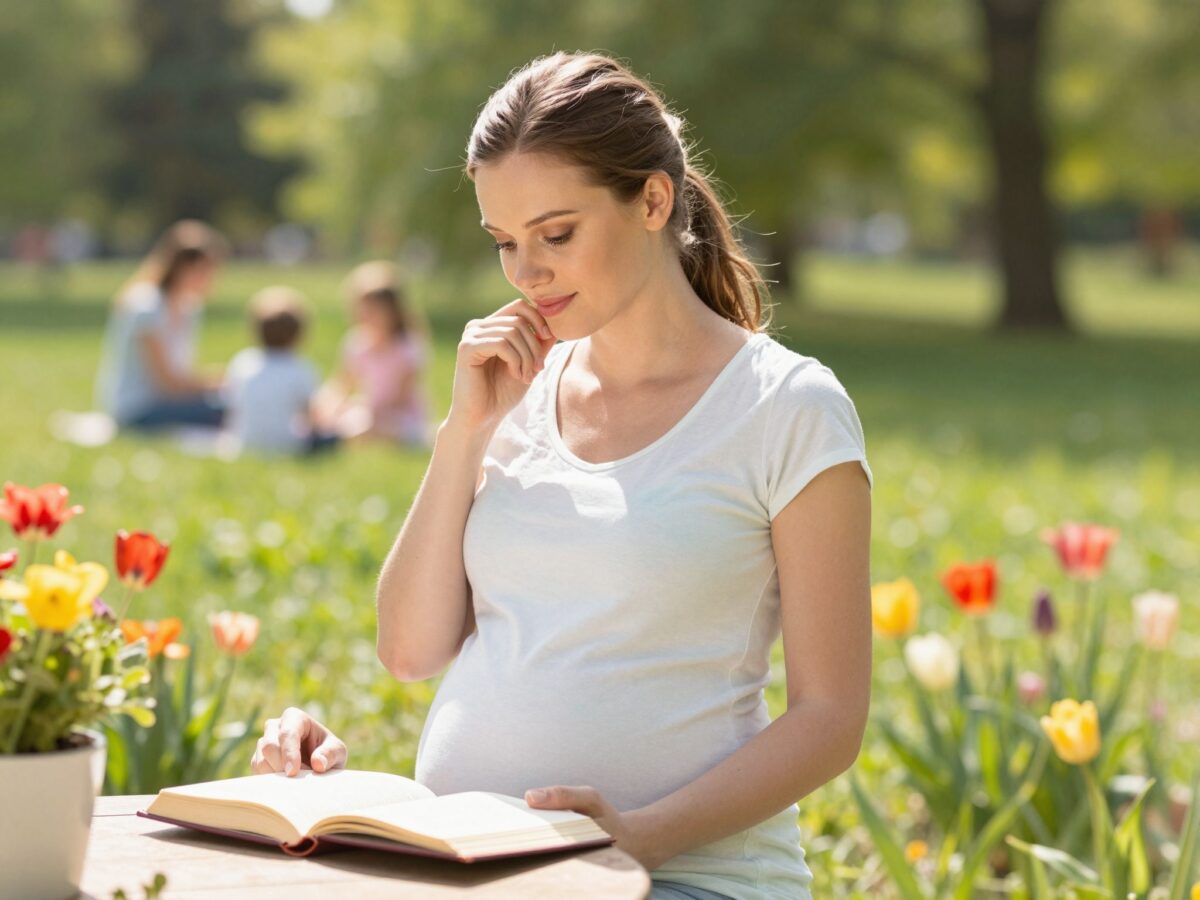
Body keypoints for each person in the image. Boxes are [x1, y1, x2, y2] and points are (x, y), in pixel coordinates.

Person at [252, 52, 872, 900]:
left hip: (686, 879)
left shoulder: (787, 407)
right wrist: (464, 430)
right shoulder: (515, 392)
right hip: (478, 870)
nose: (525, 273)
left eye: (557, 233)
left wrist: (636, 840)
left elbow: (831, 720)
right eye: (505, 242)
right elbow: (408, 651)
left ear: (653, 200)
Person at [95, 220, 228, 430]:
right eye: (205, 270)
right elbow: (167, 384)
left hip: (166, 402)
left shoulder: (188, 307)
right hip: (137, 409)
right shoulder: (145, 306)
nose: (211, 279)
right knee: (231, 409)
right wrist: (217, 383)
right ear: (183, 268)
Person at [314, 261, 432, 447]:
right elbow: (342, 383)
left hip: (402, 416)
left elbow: (400, 398)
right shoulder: (357, 343)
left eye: (373, 310)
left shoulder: (407, 346)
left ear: (393, 312)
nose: (365, 316)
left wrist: (367, 411)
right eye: (362, 309)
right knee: (343, 421)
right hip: (370, 410)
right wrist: (327, 406)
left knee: (369, 428)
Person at [223, 286, 337, 456]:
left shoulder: (242, 361)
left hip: (245, 442)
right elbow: (312, 417)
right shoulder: (301, 368)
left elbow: (232, 404)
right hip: (289, 445)